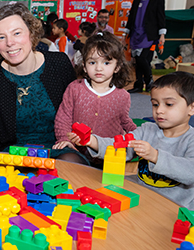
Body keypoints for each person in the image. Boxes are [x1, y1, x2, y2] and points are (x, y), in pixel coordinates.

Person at [0, 3, 88, 165]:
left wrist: (74, 140)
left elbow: (77, 111)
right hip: (13, 153)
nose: (9, 43)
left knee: (69, 163)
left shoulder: (59, 64)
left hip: (58, 147)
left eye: (16, 33)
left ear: (31, 33)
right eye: (1, 37)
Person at [69, 71, 194, 209]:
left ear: (191, 108)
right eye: (155, 104)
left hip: (174, 207)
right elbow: (119, 145)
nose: (159, 110)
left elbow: (190, 173)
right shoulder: (147, 130)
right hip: (142, 195)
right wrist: (92, 141)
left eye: (169, 104)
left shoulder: (191, 139)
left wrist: (155, 156)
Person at [53, 31, 137, 166]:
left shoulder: (122, 96)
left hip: (108, 153)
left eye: (106, 63)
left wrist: (139, 137)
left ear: (117, 67)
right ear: (85, 66)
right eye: (92, 62)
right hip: (78, 150)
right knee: (65, 163)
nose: (98, 68)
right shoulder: (75, 88)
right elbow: (63, 118)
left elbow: (125, 121)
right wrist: (64, 139)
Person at [125, 0, 166, 93]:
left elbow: (161, 16)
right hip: (135, 34)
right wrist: (126, 33)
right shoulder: (136, 1)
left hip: (148, 35)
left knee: (141, 58)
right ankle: (138, 84)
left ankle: (149, 81)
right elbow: (131, 17)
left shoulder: (157, 1)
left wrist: (162, 34)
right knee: (137, 59)